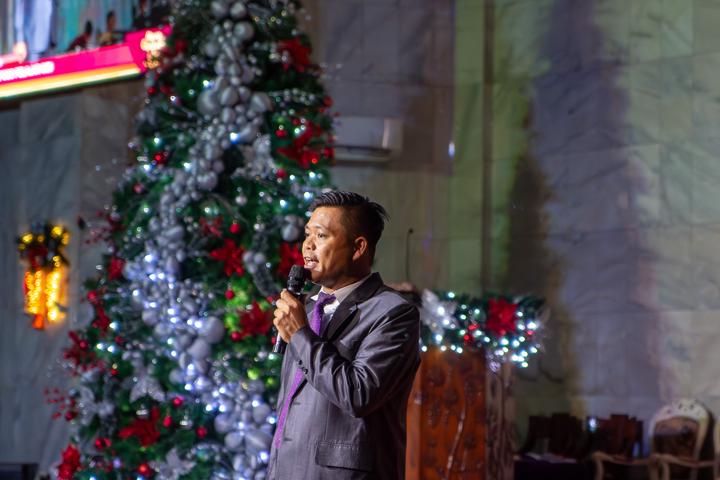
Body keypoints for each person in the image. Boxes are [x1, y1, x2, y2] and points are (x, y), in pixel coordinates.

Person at [268, 191, 420, 480]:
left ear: (358, 247)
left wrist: (300, 335)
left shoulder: (393, 313)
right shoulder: (306, 307)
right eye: (307, 234)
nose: (307, 245)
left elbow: (359, 394)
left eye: (321, 236)